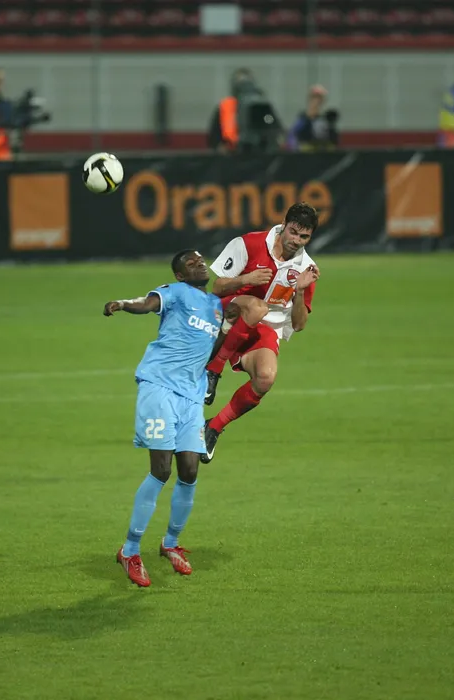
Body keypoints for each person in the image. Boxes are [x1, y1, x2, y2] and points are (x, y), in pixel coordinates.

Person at [104, 250, 228, 587]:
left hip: (191, 397)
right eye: (191, 263)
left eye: (201, 260)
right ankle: (130, 550)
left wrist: (230, 329)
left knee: (189, 471)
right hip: (159, 388)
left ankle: (170, 543)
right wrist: (123, 304)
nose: (199, 264)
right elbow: (146, 304)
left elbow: (212, 349)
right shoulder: (175, 293)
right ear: (180, 275)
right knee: (161, 470)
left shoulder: (215, 306)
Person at [201, 203, 320, 464]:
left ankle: (213, 427)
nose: (296, 240)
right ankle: (214, 370)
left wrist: (300, 291)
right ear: (283, 225)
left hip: (262, 328)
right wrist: (245, 280)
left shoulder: (306, 269)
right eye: (293, 232)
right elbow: (217, 287)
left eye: (304, 237)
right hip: (227, 312)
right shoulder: (248, 243)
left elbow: (299, 325)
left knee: (266, 378)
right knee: (257, 307)